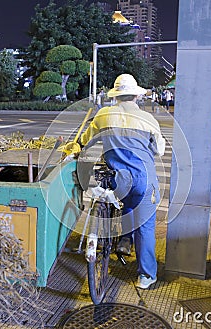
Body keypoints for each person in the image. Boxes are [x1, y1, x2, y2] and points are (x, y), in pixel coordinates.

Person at [64, 74, 165, 289]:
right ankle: (146, 276)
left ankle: (124, 241)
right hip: (144, 179)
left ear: (116, 96)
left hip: (117, 178)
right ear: (136, 97)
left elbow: (84, 142)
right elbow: (159, 150)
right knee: (145, 227)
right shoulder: (148, 120)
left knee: (124, 201)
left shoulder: (103, 116)